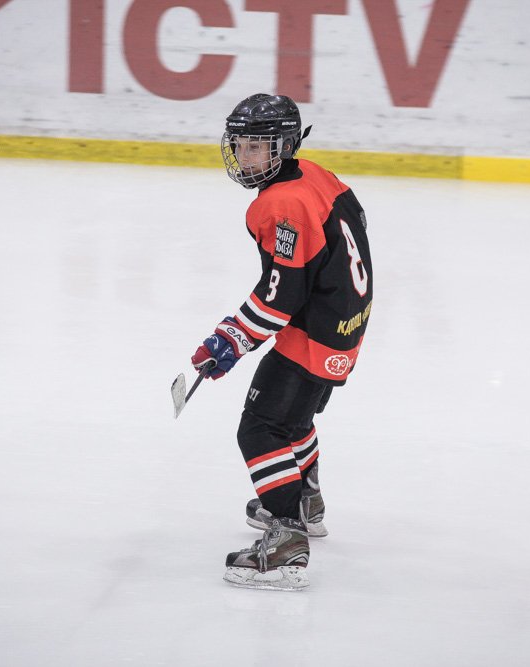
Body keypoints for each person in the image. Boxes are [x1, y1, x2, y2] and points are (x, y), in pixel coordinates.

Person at [190, 93, 373, 590]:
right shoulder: (315, 175)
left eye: (257, 147)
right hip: (341, 325)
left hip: (313, 333)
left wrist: (229, 339)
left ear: (285, 146)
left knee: (260, 428)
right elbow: (352, 232)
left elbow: (280, 298)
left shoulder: (280, 204)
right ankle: (306, 500)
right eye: (240, 145)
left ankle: (287, 539)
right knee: (294, 419)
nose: (244, 157)